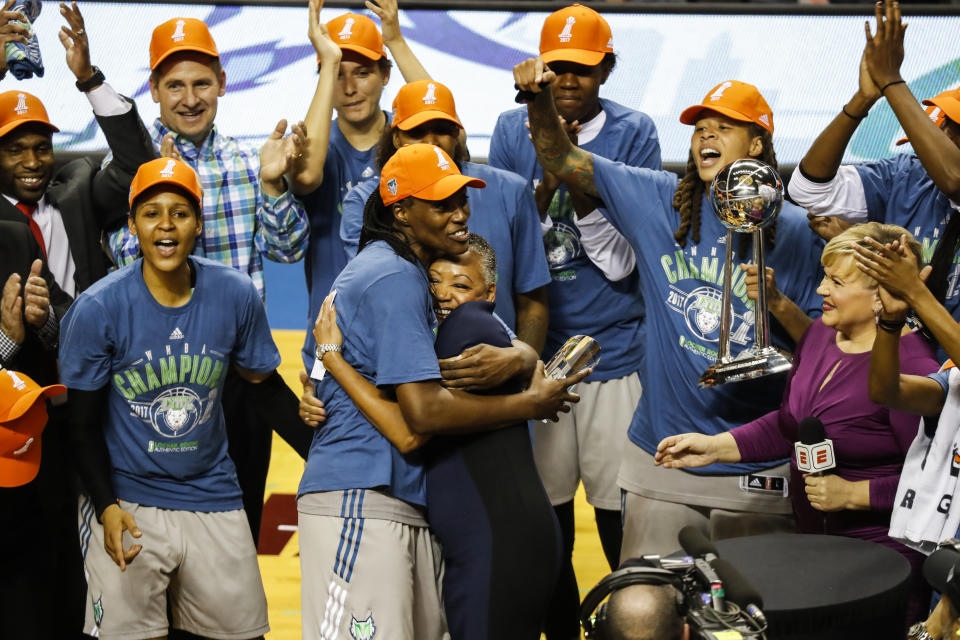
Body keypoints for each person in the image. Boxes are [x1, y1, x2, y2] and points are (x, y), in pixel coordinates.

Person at [515, 59, 824, 561]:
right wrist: (538, 100)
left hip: (757, 463)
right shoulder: (659, 199)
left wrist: (778, 306)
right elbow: (562, 157)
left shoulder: (793, 230)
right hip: (663, 456)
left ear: (757, 144)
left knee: (754, 620)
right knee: (648, 612)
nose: (706, 135)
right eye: (701, 128)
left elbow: (823, 349)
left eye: (724, 127)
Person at [296, 143, 585, 640]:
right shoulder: (392, 275)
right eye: (442, 203)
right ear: (402, 212)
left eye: (461, 200)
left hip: (399, 498)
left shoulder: (401, 275)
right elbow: (421, 419)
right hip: (360, 495)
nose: (460, 214)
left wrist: (523, 355)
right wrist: (529, 404)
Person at [656, 222, 937, 625]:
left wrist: (855, 493)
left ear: (881, 295)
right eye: (825, 276)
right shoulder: (821, 335)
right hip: (815, 542)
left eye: (836, 281)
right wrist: (715, 446)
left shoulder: (913, 366)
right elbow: (791, 424)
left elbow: (934, 483)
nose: (822, 290)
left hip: (885, 558)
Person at [101, 15, 313, 542]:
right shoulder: (127, 166)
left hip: (242, 379)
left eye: (200, 83)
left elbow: (288, 249)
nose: (189, 98)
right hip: (159, 377)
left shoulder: (248, 161)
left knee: (238, 526)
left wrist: (272, 185)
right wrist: (165, 188)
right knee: (159, 531)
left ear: (222, 83)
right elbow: (118, 264)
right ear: (152, 90)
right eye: (175, 85)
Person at [490, 7, 661, 633]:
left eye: (583, 70)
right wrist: (542, 149)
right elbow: (510, 242)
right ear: (539, 69)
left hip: (616, 354)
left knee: (621, 523)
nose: (569, 81)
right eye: (557, 68)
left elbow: (622, 257)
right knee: (545, 524)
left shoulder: (634, 131)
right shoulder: (513, 128)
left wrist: (564, 161)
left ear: (607, 70)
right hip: (539, 361)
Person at [60, 157, 280, 640]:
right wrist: (105, 506)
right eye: (151, 213)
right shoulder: (98, 308)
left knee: (245, 634)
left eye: (179, 213)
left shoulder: (235, 293)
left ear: (198, 224)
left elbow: (265, 389)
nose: (165, 225)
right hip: (128, 500)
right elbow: (81, 425)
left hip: (213, 495)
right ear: (133, 226)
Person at [339, 78, 550, 351]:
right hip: (405, 366)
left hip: (497, 371)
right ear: (395, 137)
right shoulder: (369, 201)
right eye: (416, 131)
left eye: (442, 130)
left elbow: (532, 299)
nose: (431, 142)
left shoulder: (509, 190)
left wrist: (523, 365)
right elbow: (375, 296)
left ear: (457, 135)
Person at [789, 1, 960, 325]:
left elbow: (954, 179)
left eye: (948, 134)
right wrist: (864, 98)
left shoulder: (950, 176)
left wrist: (892, 80)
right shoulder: (907, 174)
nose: (925, 156)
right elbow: (808, 190)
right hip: (895, 353)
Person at [291, 0, 431, 371]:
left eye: (363, 72)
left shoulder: (408, 143)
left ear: (386, 75)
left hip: (402, 326)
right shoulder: (319, 145)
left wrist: (396, 40)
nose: (350, 88)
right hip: (331, 338)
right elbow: (305, 176)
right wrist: (328, 62)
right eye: (338, 73)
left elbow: (442, 123)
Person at [0, 3, 156, 297]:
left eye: (42, 148)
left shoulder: (77, 195)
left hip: (88, 342)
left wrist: (90, 80)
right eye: (16, 150)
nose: (32, 162)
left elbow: (139, 169)